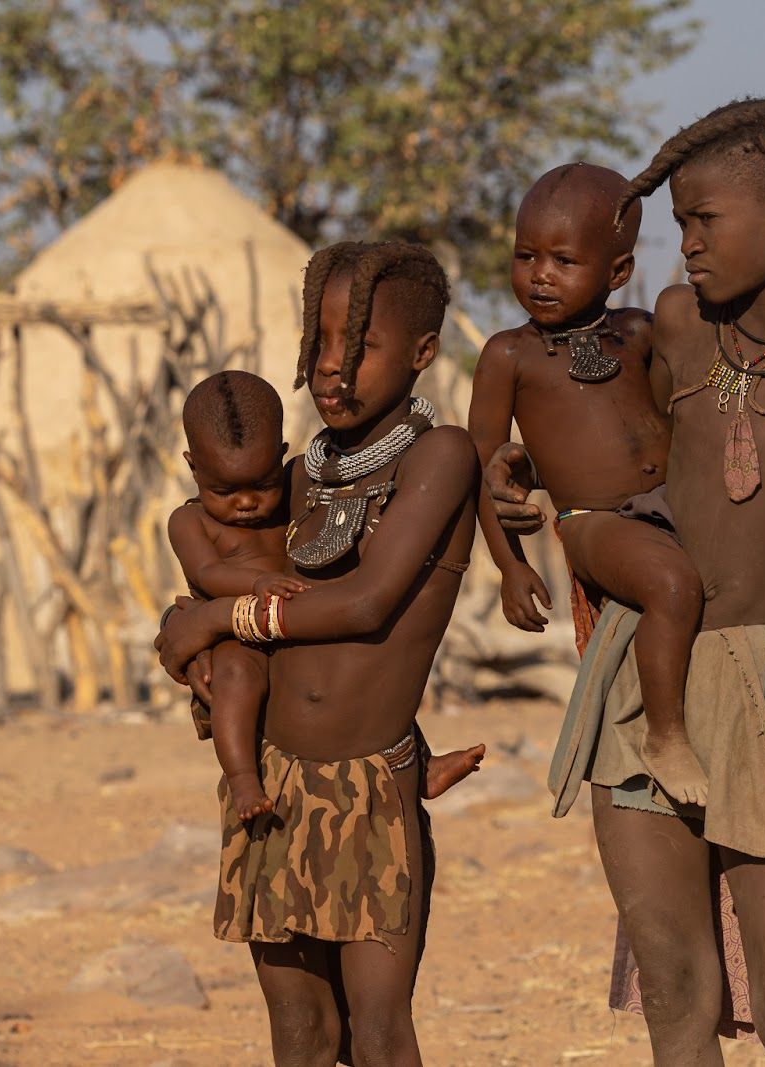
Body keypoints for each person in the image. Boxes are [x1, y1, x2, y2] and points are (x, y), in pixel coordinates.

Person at [486, 98, 765, 1065]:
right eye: (678, 221)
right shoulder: (677, 327)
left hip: (764, 688)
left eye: (702, 220)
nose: (681, 245)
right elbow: (602, 437)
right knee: (676, 994)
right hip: (642, 671)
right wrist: (516, 465)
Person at [155, 241, 484, 1066]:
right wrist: (194, 632)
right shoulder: (295, 475)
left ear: (422, 353)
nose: (333, 367)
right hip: (272, 782)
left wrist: (231, 616)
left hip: (369, 783)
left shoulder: (438, 460)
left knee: (378, 1035)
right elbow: (209, 587)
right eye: (321, 340)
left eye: (361, 345)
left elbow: (368, 602)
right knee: (301, 1035)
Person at [468, 161, 708, 805]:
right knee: (672, 584)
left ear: (618, 272)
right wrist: (510, 567)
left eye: (563, 260)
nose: (540, 275)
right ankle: (666, 735)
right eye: (526, 256)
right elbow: (482, 467)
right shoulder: (507, 354)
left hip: (674, 507)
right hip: (593, 522)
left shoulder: (638, 333)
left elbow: (682, 410)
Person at [167, 370, 307, 822]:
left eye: (262, 486)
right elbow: (207, 574)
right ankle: (244, 779)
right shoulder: (190, 522)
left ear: (281, 459)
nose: (246, 503)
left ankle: (416, 759)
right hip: (236, 636)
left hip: (303, 631)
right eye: (224, 491)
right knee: (233, 681)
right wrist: (257, 584)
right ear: (193, 468)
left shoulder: (298, 492)